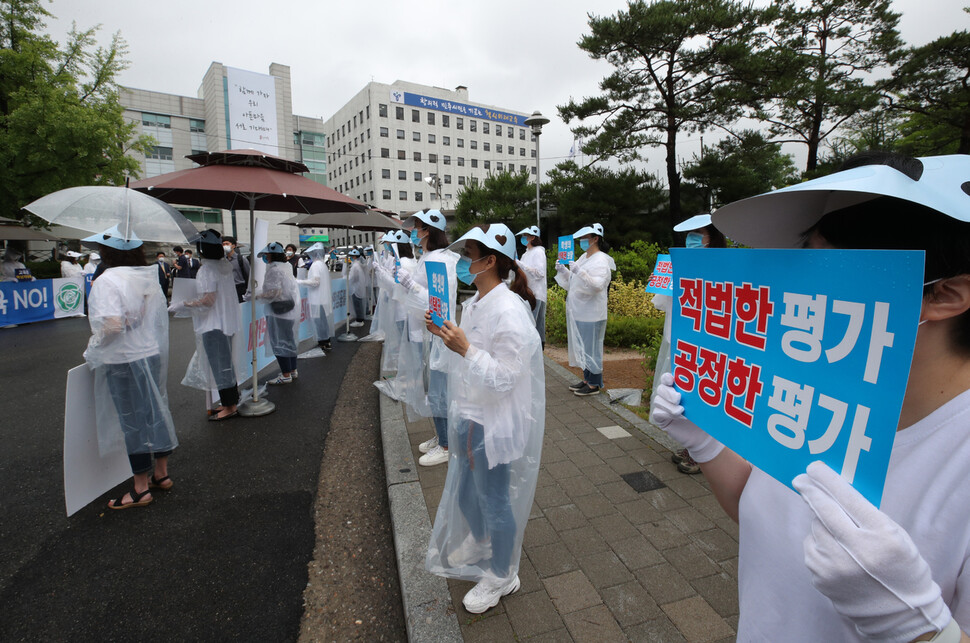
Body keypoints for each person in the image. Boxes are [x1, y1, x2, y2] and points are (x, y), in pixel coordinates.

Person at [654, 153, 970, 642]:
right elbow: (762, 515)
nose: (795, 292)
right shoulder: (808, 392)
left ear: (945, 294)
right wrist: (707, 442)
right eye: (799, 261)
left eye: (825, 265)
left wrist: (919, 629)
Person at [424, 223, 545, 615]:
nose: (463, 263)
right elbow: (467, 355)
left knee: (494, 499)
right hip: (470, 413)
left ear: (489, 260)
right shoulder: (476, 302)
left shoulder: (508, 310)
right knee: (464, 489)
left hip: (494, 421)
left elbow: (507, 377)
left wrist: (465, 349)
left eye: (469, 255)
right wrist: (446, 335)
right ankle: (480, 539)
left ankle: (502, 574)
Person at [81, 224, 178, 509]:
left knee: (132, 421)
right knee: (155, 411)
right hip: (150, 352)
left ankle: (139, 488)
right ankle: (161, 473)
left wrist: (93, 345)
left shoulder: (107, 280)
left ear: (106, 251)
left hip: (123, 359)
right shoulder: (145, 276)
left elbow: (113, 325)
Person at [658, 213, 727, 475]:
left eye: (697, 235)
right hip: (681, 340)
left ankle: (704, 454)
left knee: (705, 394)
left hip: (706, 342)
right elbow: (666, 303)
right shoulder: (681, 264)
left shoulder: (720, 266)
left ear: (712, 238)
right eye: (688, 235)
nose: (691, 240)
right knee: (684, 394)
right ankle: (691, 446)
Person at [397, 209, 459, 467]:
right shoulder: (429, 256)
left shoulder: (441, 260)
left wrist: (412, 286)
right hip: (432, 331)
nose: (414, 231)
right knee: (436, 389)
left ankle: (446, 445)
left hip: (442, 332)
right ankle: (441, 436)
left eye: (418, 226)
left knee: (440, 392)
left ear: (429, 231)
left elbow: (439, 302)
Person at [170, 229, 242, 421]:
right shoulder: (223, 265)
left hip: (213, 325)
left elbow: (208, 300)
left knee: (220, 365)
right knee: (226, 363)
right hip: (226, 322)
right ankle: (231, 401)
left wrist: (183, 303)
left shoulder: (207, 270)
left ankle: (230, 406)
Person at [554, 223, 615, 397]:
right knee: (583, 348)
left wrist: (579, 271)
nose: (581, 241)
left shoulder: (601, 260)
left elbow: (597, 285)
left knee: (592, 348)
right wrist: (563, 270)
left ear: (595, 239)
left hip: (592, 313)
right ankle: (587, 379)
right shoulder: (583, 257)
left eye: (585, 238)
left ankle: (595, 383)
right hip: (579, 311)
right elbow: (572, 283)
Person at [255, 242, 301, 384]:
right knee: (289, 341)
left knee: (279, 342)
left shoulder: (274, 270)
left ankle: (285, 374)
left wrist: (258, 296)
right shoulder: (286, 266)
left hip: (278, 312)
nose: (265, 257)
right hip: (290, 309)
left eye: (266, 254)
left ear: (271, 255)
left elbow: (275, 292)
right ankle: (292, 370)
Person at [297, 242, 334, 350]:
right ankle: (326, 340)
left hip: (317, 299)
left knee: (319, 322)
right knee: (323, 321)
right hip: (323, 298)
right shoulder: (323, 264)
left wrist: (300, 281)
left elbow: (315, 281)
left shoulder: (315, 265)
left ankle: (323, 341)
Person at [515, 225, 547, 346]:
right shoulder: (526, 254)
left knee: (533, 326)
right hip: (527, 293)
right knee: (532, 324)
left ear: (533, 237)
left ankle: (536, 350)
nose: (523, 238)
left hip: (536, 294)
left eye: (525, 236)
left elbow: (539, 273)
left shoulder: (538, 252)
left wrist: (521, 265)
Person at [222, 236, 250, 303]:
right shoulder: (223, 261)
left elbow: (248, 274)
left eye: (227, 244)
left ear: (233, 246)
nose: (225, 246)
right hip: (227, 289)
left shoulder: (241, 259)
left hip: (240, 288)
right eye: (223, 244)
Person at [348, 248, 367, 327]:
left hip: (356, 288)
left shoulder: (355, 266)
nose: (350, 257)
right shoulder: (358, 264)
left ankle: (359, 320)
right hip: (358, 287)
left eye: (351, 256)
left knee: (357, 304)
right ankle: (360, 318)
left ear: (355, 257)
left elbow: (352, 277)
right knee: (359, 304)